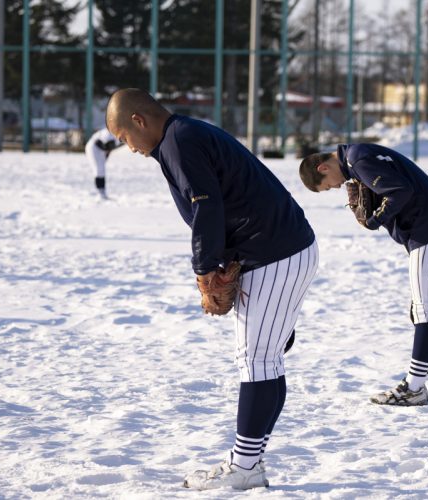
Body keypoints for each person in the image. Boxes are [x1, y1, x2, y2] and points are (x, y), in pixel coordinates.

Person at [106, 88, 318, 491]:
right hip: (277, 248)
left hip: (276, 250)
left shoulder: (180, 140)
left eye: (124, 138)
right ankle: (248, 462)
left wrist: (204, 269)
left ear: (138, 121)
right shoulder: (180, 136)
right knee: (263, 358)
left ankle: (245, 466)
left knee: (256, 358)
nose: (128, 148)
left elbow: (207, 206)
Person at [299, 144, 428, 406]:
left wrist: (375, 219)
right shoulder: (356, 158)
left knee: (427, 310)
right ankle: (415, 384)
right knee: (423, 308)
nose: (335, 187)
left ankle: (414, 388)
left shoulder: (357, 159)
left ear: (323, 168)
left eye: (328, 185)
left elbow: (400, 191)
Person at [85, 127, 119, 198]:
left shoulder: (118, 134)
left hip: (101, 150)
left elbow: (109, 148)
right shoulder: (110, 131)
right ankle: (99, 192)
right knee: (98, 169)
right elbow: (104, 144)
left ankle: (102, 191)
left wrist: (106, 156)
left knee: (102, 170)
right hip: (93, 147)